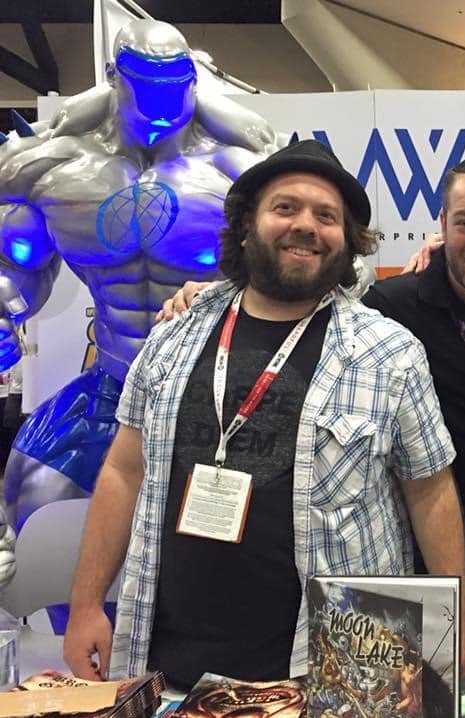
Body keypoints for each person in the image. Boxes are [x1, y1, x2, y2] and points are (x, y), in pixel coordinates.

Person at [160, 154, 465, 679]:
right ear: (442, 225)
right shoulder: (396, 305)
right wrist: (212, 297)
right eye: (464, 223)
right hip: (436, 568)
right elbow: (305, 290)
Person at [62, 139, 465, 688]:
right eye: (285, 208)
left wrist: (457, 621)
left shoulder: (389, 352)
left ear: (345, 241)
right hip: (167, 664)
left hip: (334, 672)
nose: (306, 225)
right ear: (247, 226)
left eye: (326, 216)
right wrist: (88, 603)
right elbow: (122, 471)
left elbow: (431, 490)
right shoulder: (174, 336)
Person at [0, 19, 291, 588]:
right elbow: (16, 266)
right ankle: (85, 662)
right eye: (143, 85)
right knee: (33, 501)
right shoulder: (56, 169)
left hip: (220, 400)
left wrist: (230, 292)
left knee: (240, 565)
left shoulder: (243, 171)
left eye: (174, 84)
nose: (162, 104)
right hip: (113, 382)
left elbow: (321, 276)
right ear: (115, 79)